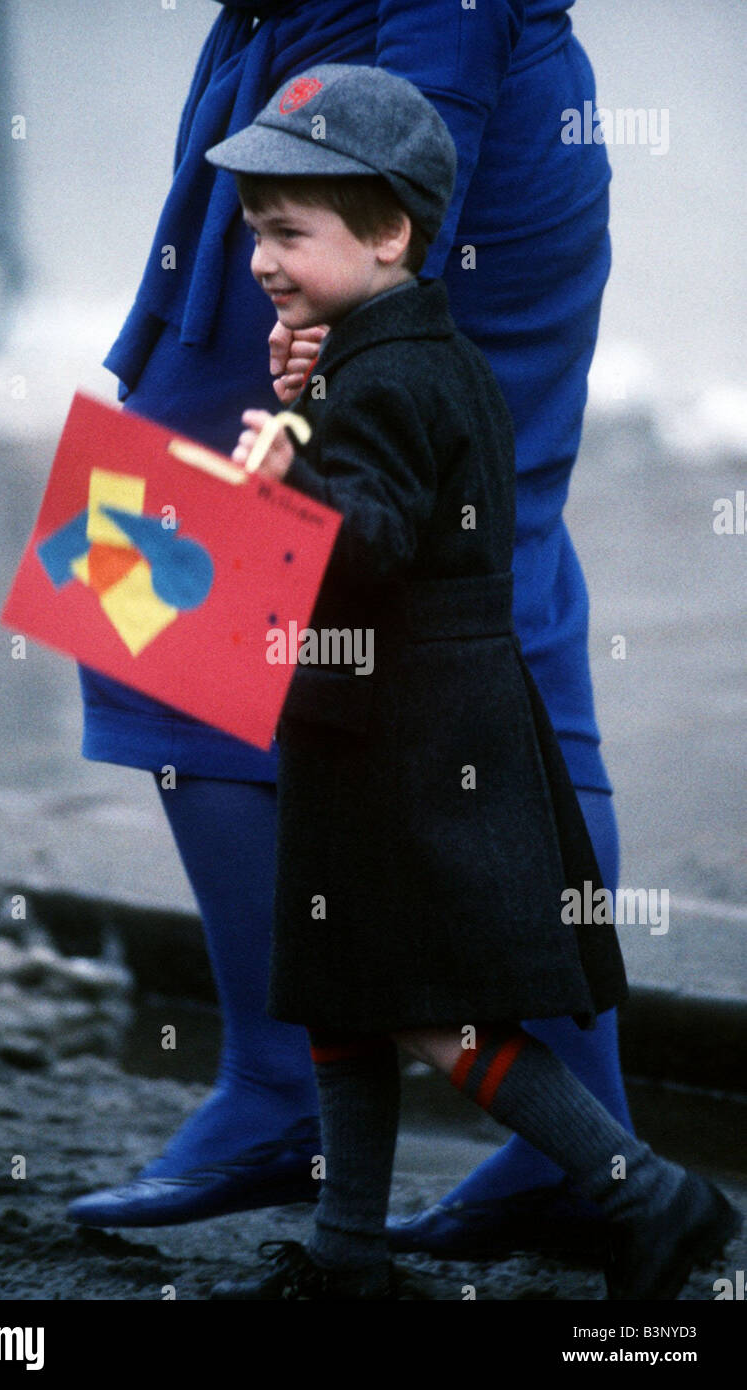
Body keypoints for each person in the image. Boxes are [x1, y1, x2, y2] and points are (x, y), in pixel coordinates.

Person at [68, 0, 635, 1258]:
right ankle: (584, 1140)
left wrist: (374, 294)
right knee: (478, 593)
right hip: (354, 135)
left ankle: (289, 1095)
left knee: (157, 587)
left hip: (395, 127)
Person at [199, 62, 741, 1301]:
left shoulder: (386, 377)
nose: (263, 260)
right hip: (386, 721)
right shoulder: (404, 354)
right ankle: (347, 1256)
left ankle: (645, 1193)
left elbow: (374, 534)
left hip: (399, 734)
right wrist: (308, 405)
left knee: (432, 1009)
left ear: (388, 231)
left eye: (289, 232)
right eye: (252, 236)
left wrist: (284, 474)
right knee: (346, 991)